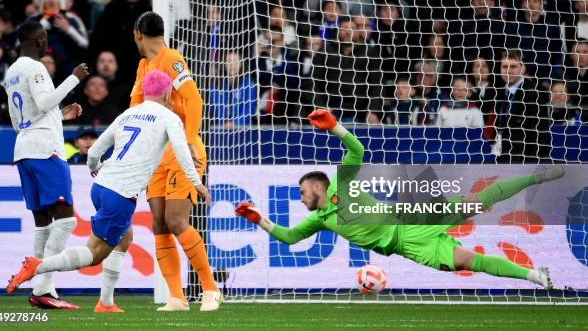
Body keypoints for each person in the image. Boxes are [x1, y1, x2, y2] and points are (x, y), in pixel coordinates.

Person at [236, 109, 561, 290]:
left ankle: (537, 176)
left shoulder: (340, 181)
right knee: (467, 262)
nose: (301, 198)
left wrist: (336, 128)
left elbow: (358, 150)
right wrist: (259, 219)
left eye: (303, 192)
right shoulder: (319, 220)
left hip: (411, 216)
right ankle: (533, 275)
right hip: (408, 245)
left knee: (477, 202)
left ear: (318, 188)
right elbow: (290, 237)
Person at [7, 70, 210, 314]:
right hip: (120, 194)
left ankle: (106, 302)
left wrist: (96, 168)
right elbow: (181, 150)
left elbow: (94, 151)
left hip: (101, 186)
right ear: (168, 93)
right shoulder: (169, 118)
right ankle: (37, 266)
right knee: (95, 254)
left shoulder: (128, 114)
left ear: (145, 92)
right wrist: (196, 182)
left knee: (124, 238)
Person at [130, 12, 221, 311]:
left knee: (176, 219)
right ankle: (177, 297)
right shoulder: (143, 66)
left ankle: (210, 288)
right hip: (155, 155)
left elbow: (194, 99)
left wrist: (191, 138)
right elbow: (134, 109)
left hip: (182, 150)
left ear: (138, 34)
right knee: (158, 224)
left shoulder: (172, 59)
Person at [2, 21, 89, 309]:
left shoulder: (11, 72)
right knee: (66, 220)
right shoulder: (36, 68)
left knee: (43, 222)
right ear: (39, 40)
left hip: (24, 149)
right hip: (45, 150)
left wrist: (60, 116)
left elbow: (27, 115)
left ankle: (45, 291)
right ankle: (41, 284)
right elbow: (43, 103)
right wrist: (74, 78)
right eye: (46, 38)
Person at [494, 50, 551, 163]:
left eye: (513, 66)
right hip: (505, 160)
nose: (508, 71)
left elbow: (540, 133)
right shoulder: (499, 93)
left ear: (523, 69)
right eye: (504, 66)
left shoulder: (533, 94)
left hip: (526, 163)